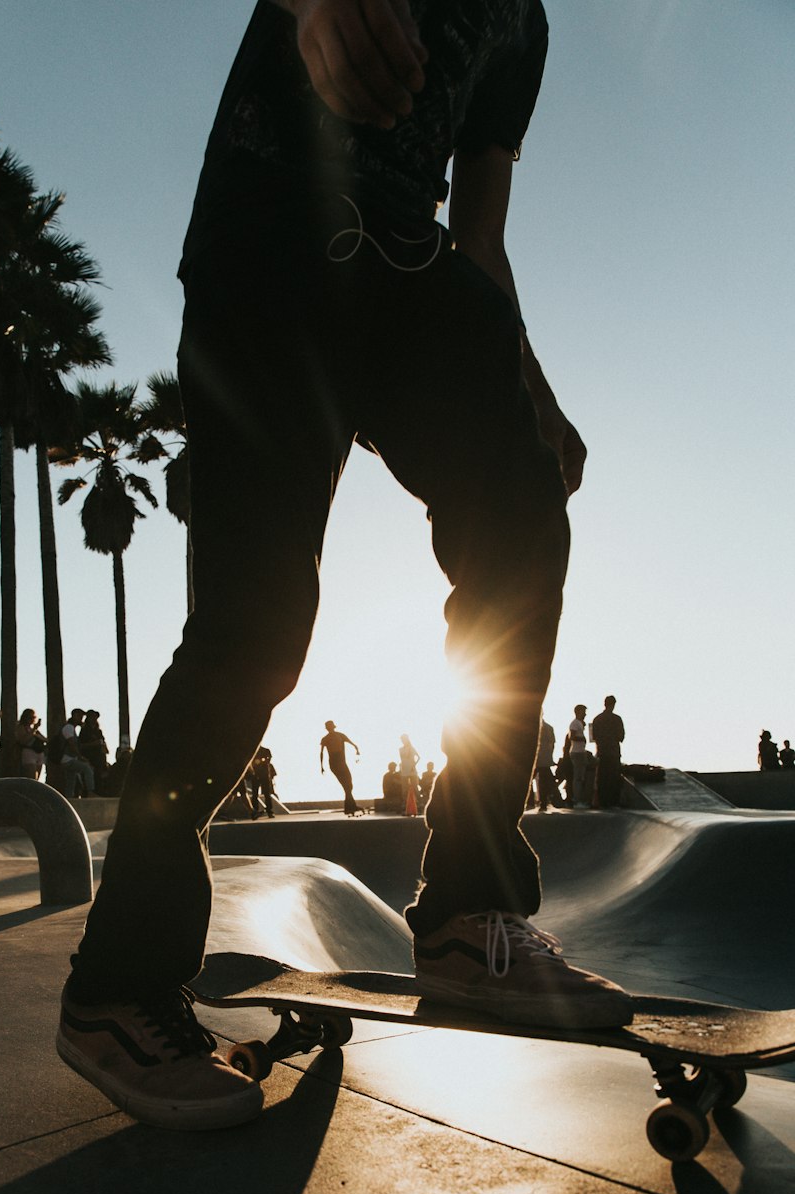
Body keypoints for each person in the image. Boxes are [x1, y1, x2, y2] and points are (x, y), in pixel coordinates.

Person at [56, 0, 632, 1134]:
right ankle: (117, 986)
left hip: (411, 268)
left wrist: (531, 387)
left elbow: (480, 234)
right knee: (256, 624)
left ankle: (469, 915)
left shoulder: (525, 29)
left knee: (522, 520)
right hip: (266, 235)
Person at [320, 720, 361, 815]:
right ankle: (349, 808)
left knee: (348, 785)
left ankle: (352, 806)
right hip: (335, 764)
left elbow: (353, 744)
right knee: (347, 785)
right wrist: (321, 766)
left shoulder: (340, 735)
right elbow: (321, 752)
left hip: (342, 763)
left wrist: (357, 749)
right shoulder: (325, 739)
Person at [590, 695, 625, 808]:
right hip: (613, 752)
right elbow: (621, 736)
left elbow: (593, 737)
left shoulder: (597, 719)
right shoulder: (617, 719)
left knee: (602, 777)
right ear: (613, 704)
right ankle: (613, 802)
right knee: (613, 777)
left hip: (602, 752)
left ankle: (602, 801)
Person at [59, 709, 96, 799]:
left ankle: (69, 799)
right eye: (80, 717)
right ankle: (90, 792)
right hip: (67, 759)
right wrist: (80, 757)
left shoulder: (72, 728)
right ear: (75, 716)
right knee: (87, 768)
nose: (81, 719)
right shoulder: (69, 728)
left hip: (69, 759)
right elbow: (71, 744)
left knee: (71, 781)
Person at [567, 704, 594, 808]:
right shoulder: (574, 723)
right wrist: (582, 739)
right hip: (577, 752)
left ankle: (579, 799)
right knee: (578, 777)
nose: (585, 714)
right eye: (583, 712)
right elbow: (572, 737)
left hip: (580, 751)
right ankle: (577, 800)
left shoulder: (579, 723)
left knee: (581, 776)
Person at [533, 719, 559, 811]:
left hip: (535, 758)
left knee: (527, 778)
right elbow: (552, 744)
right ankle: (545, 801)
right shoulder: (549, 728)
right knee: (544, 780)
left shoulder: (532, 727)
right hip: (545, 758)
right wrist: (550, 756)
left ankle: (532, 801)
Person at [15, 708, 47, 780]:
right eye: (30, 717)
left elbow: (45, 739)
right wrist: (33, 731)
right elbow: (23, 741)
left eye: (33, 717)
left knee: (37, 778)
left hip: (39, 753)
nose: (32, 719)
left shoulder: (35, 730)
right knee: (31, 777)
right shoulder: (21, 727)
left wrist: (36, 734)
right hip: (29, 752)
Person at [249, 744, 277, 818]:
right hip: (257, 775)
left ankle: (269, 811)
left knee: (266, 794)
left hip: (262, 775)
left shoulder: (264, 750)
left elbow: (268, 759)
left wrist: (260, 760)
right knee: (256, 794)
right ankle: (259, 811)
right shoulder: (254, 750)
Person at [398, 734, 421, 809]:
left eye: (404, 739)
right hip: (404, 770)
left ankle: (419, 803)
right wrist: (401, 767)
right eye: (402, 740)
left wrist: (414, 765)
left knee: (415, 787)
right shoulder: (401, 749)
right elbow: (402, 760)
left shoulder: (411, 748)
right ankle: (405, 804)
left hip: (412, 770)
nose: (403, 741)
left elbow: (418, 757)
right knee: (404, 788)